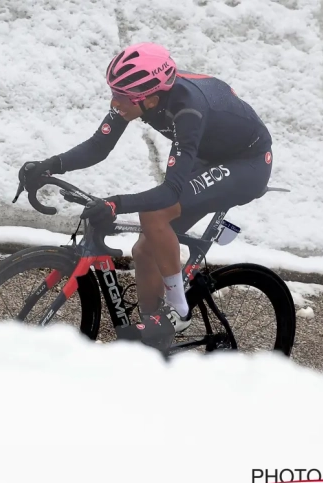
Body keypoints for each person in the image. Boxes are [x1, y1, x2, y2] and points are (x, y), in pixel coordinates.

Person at [18, 42, 274, 354]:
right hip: (209, 152)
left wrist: (116, 204)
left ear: (150, 97)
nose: (115, 102)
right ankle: (153, 339)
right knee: (144, 249)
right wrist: (50, 165)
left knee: (154, 214)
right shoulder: (140, 97)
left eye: (122, 97)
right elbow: (99, 145)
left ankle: (178, 312)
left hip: (248, 162)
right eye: (113, 92)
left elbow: (170, 192)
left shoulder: (187, 110)